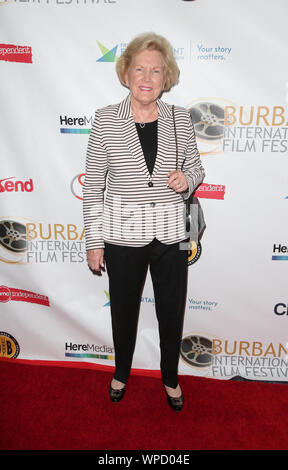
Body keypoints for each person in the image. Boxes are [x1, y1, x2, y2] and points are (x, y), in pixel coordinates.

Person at [83, 32, 205, 412]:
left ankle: (170, 377)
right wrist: (93, 241)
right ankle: (121, 371)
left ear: (166, 78)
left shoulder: (179, 118)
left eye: (156, 70)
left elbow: (197, 167)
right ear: (126, 73)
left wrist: (188, 179)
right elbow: (93, 188)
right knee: (123, 310)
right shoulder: (105, 120)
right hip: (121, 235)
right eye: (139, 68)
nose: (147, 76)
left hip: (172, 235)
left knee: (171, 311)